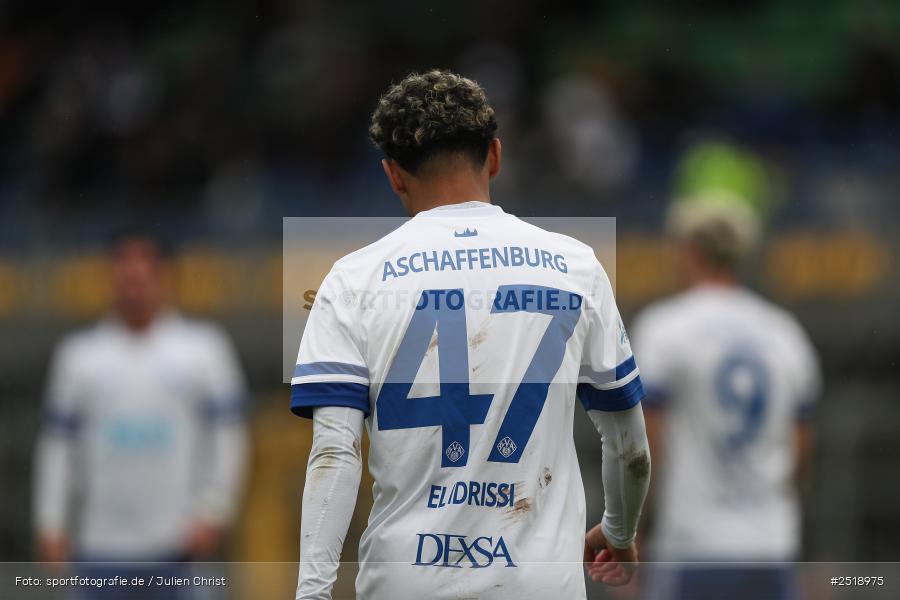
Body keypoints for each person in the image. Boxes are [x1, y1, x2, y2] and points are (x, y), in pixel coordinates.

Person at [291, 70, 650, 600]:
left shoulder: (351, 279)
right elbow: (628, 446)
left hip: (407, 580)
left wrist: (312, 593)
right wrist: (619, 530)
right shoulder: (576, 266)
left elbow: (334, 455)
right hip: (537, 583)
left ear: (393, 174)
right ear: (496, 156)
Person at [33, 230, 248, 595]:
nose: (133, 287)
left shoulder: (203, 350)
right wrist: (50, 521)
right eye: (125, 277)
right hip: (100, 548)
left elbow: (229, 437)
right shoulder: (79, 357)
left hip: (178, 549)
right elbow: (57, 447)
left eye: (143, 277)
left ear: (164, 278)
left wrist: (216, 510)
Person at [631, 197, 821, 600]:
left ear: (688, 249)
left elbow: (645, 444)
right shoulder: (784, 332)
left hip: (693, 544)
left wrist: (631, 530)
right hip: (771, 545)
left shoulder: (665, 328)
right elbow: (801, 442)